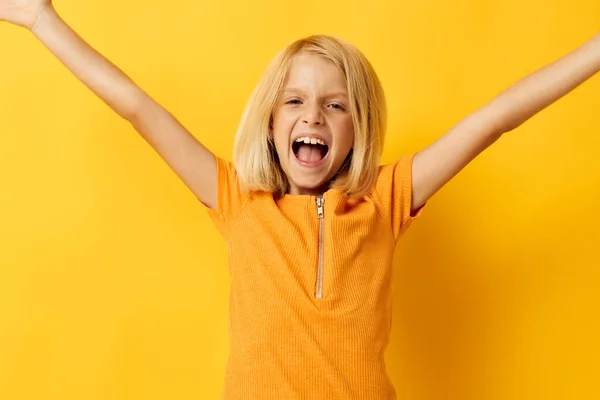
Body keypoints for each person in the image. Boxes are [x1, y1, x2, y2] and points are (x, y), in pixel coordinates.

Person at [1, 1, 599, 398]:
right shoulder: (236, 198)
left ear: (358, 129)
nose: (313, 115)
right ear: (269, 123)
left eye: (335, 105)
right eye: (295, 101)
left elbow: (494, 120)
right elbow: (135, 105)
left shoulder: (386, 201)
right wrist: (39, 19)